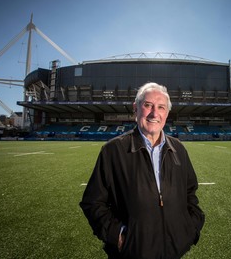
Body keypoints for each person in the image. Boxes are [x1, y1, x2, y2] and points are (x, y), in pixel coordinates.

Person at [80, 82, 205, 259]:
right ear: (136, 109)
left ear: (167, 113)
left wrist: (190, 229)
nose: (154, 113)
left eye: (161, 107)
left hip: (174, 251)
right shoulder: (113, 150)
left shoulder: (179, 149)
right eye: (148, 105)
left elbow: (190, 193)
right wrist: (119, 235)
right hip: (131, 253)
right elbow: (92, 202)